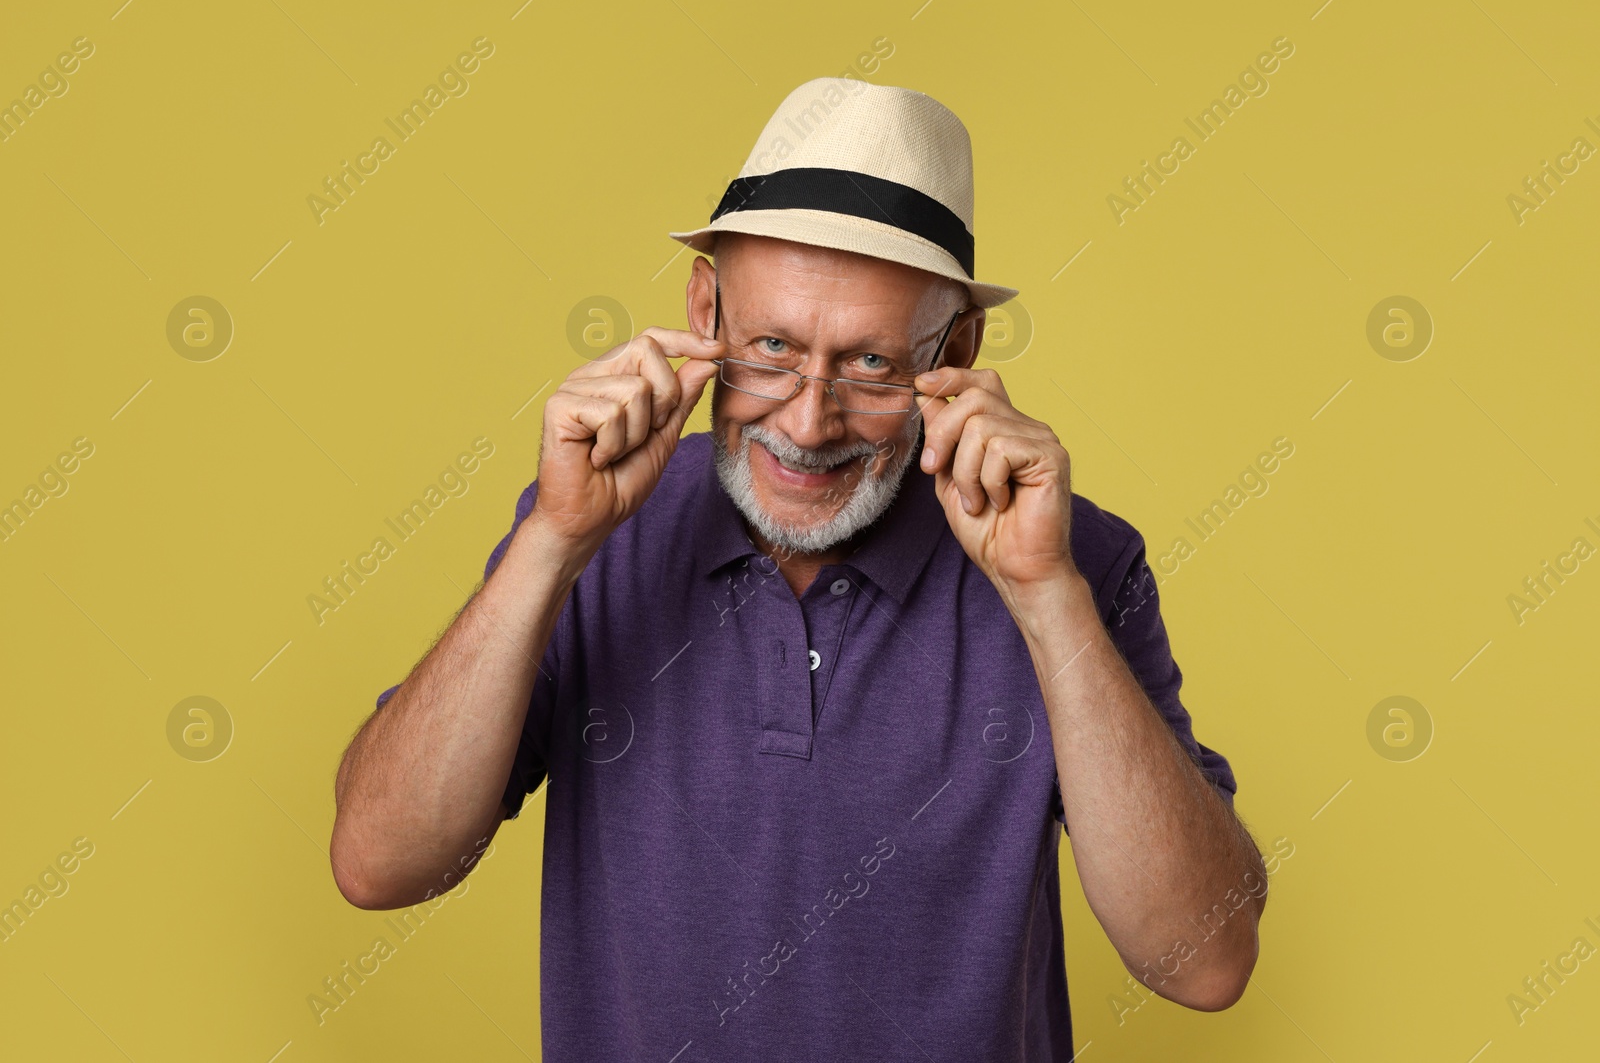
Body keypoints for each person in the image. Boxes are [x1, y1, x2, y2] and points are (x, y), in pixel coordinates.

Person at [331, 77, 1265, 1060]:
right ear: (705, 309)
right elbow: (377, 862)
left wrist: (1047, 601)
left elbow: (1202, 961)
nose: (807, 422)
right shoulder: (587, 538)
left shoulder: (1074, 562)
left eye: (869, 365)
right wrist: (552, 546)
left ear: (956, 350)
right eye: (771, 347)